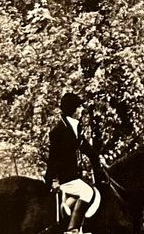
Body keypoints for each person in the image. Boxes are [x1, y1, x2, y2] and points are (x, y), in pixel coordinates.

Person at [45, 92, 104, 234]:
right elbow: (53, 158)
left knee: (85, 191)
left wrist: (98, 159)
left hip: (73, 176)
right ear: (73, 109)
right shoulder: (59, 131)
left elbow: (86, 147)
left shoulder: (74, 128)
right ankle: (72, 229)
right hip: (65, 178)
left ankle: (67, 205)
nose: (81, 110)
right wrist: (53, 179)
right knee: (88, 192)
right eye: (79, 107)